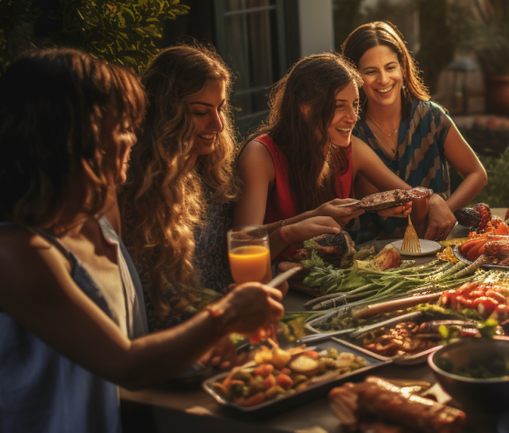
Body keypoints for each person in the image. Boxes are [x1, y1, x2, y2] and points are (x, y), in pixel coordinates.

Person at [0, 49, 283, 433]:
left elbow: (137, 342)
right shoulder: (9, 251)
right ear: (70, 136)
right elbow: (124, 361)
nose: (134, 138)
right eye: (121, 127)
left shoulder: (100, 216)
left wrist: (208, 345)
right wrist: (226, 316)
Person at [233, 53, 424, 256]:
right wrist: (300, 225)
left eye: (355, 105)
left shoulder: (349, 149)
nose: (352, 117)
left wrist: (378, 205)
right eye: (339, 106)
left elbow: (410, 195)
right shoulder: (260, 155)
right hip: (273, 282)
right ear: (304, 109)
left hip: (325, 278)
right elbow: (242, 245)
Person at [120, 44, 247, 332]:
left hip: (226, 319)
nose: (217, 124)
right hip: (180, 337)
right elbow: (155, 294)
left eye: (220, 108)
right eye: (201, 111)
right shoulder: (136, 188)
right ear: (165, 114)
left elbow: (235, 246)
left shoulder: (208, 170)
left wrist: (292, 228)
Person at [341, 21, 486, 240]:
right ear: (354, 77)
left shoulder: (432, 117)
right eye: (371, 72)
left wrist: (444, 210)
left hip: (435, 247)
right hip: (371, 254)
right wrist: (431, 200)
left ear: (403, 66)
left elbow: (477, 174)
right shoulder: (349, 131)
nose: (383, 80)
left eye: (390, 67)